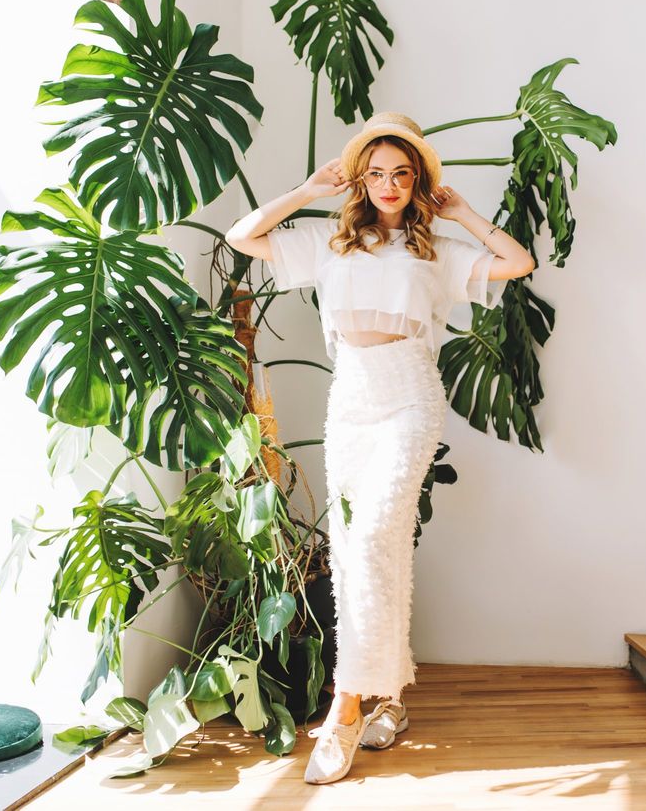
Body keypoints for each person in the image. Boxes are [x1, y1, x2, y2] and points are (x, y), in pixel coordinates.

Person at [224, 112, 535, 784]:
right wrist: (308, 191)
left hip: (409, 400)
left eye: (402, 173)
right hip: (352, 404)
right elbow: (242, 236)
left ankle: (345, 707)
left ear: (418, 180)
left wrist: (465, 213)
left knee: (372, 542)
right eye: (376, 172)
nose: (390, 184)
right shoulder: (330, 246)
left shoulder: (436, 252)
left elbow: (518, 261)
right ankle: (390, 695)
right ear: (360, 181)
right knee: (365, 547)